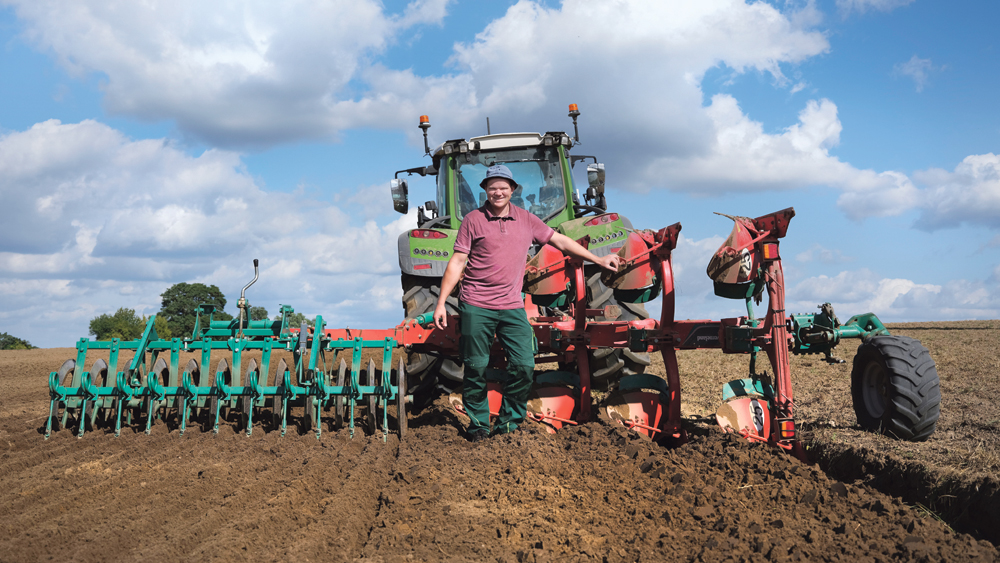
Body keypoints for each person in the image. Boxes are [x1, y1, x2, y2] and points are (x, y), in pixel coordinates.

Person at [433, 164, 623, 442]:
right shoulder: (473, 220)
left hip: (511, 305)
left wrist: (598, 259)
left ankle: (508, 425)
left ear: (512, 190)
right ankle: (478, 426)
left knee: (523, 365)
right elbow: (458, 261)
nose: (498, 192)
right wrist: (441, 303)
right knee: (475, 367)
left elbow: (560, 241)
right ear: (485, 190)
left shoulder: (527, 219)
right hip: (476, 304)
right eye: (492, 188)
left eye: (503, 187)